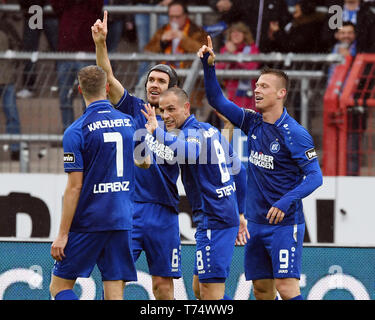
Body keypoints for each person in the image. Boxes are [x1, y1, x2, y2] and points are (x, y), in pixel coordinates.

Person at [198, 36, 323, 300]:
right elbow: (217, 100)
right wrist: (209, 66)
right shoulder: (253, 122)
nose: (256, 90)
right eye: (256, 85)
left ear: (281, 93)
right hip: (256, 222)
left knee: (286, 288)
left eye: (264, 86)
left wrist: (285, 201)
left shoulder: (295, 133)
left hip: (284, 224)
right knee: (261, 290)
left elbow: (315, 177)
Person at [92, 11, 182, 300]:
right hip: (128, 209)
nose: (154, 84)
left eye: (161, 81)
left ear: (173, 91)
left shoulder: (181, 125)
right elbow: (107, 78)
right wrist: (101, 44)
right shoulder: (132, 108)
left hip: (163, 212)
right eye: (151, 79)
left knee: (163, 287)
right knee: (114, 280)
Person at [141, 87, 248, 300]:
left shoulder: (190, 134)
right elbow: (240, 171)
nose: (166, 116)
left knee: (210, 295)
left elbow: (190, 152)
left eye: (171, 109)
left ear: (186, 107)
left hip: (214, 219)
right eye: (162, 110)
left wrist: (156, 131)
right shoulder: (209, 130)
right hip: (221, 216)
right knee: (199, 289)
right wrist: (241, 213)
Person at [49, 65, 137, 300]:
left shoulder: (76, 131)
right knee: (115, 294)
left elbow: (75, 187)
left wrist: (62, 234)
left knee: (59, 288)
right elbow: (145, 162)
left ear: (79, 90)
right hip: (121, 219)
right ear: (107, 88)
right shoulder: (129, 122)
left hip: (89, 221)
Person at [50, 0, 103, 132]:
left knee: (88, 96)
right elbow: (56, 6)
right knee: (65, 95)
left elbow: (97, 6)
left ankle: (89, 131)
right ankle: (68, 131)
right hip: (66, 50)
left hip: (86, 49)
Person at [144, 0, 208, 69]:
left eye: (177, 17)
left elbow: (205, 51)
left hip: (189, 74)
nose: (174, 20)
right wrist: (162, 43)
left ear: (185, 15)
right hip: (166, 74)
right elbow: (147, 52)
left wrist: (184, 40)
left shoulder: (197, 31)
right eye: (171, 17)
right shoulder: (163, 30)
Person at [216, 22, 260, 110]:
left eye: (239, 32)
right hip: (230, 94)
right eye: (233, 32)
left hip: (249, 96)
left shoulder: (252, 48)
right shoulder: (225, 49)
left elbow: (251, 67)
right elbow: (218, 68)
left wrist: (234, 53)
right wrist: (229, 54)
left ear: (245, 35)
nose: (235, 34)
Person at [0, 12, 21, 161]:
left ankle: (15, 149)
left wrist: (11, 61)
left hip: (6, 78)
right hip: (7, 76)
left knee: (11, 113)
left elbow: (18, 46)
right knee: (11, 113)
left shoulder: (6, 25)